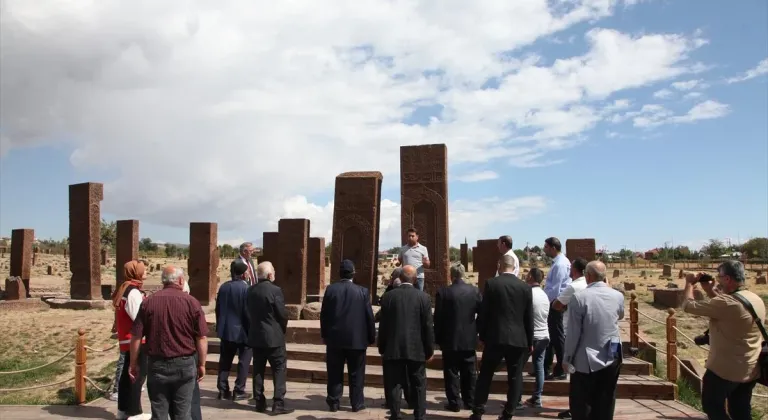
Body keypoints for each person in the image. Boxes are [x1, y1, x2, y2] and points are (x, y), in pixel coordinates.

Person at [681, 261, 766, 419]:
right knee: (741, 411)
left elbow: (687, 305)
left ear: (727, 279)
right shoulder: (755, 298)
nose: (717, 280)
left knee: (713, 407)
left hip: (724, 371)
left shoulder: (727, 303)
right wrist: (709, 290)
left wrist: (689, 283)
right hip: (750, 368)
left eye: (719, 276)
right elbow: (729, 309)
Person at [129, 266, 208, 420]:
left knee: (159, 413)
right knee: (183, 414)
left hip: (157, 365)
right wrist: (202, 364)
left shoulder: (148, 302)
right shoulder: (192, 302)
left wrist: (133, 363)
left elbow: (136, 336)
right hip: (184, 364)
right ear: (180, 280)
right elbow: (201, 337)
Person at [471, 255, 533, 420]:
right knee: (515, 376)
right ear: (514, 267)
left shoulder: (492, 284)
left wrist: (482, 335)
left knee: (486, 374)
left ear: (500, 265)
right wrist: (530, 341)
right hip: (518, 338)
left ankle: (478, 410)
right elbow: (529, 317)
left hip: (495, 337)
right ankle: (509, 412)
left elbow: (484, 313)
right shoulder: (525, 287)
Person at [563, 261, 624, 420]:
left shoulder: (579, 297)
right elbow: (620, 315)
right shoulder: (618, 295)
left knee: (582, 403)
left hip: (586, 357)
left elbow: (573, 333)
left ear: (587, 276)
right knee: (607, 398)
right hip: (612, 354)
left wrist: (567, 358)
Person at [378, 265, 435, 420]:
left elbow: (383, 326)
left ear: (400, 278)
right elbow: (428, 327)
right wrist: (429, 350)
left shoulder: (389, 297)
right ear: (415, 279)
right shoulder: (423, 297)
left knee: (394, 384)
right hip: (416, 349)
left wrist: (381, 346)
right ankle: (420, 415)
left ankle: (395, 415)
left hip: (393, 348)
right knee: (418, 384)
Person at [320, 259, 376, 412]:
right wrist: (371, 337)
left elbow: (324, 315)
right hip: (356, 340)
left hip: (335, 339)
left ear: (339, 273)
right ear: (353, 274)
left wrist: (324, 335)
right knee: (356, 373)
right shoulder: (362, 291)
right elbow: (369, 317)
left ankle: (334, 401)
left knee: (334, 372)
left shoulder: (330, 290)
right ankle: (356, 403)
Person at [246, 261, 293, 415]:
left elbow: (247, 313)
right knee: (279, 369)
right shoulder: (275, 290)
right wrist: (282, 329)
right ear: (270, 274)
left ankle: (259, 401)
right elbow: (281, 314)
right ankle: (278, 402)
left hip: (256, 336)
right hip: (274, 337)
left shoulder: (250, 290)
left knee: (258, 370)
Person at [434, 262, 481, 412]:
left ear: (451, 275)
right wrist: (476, 329)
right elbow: (483, 313)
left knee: (451, 372)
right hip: (468, 339)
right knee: (469, 372)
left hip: (450, 339)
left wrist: (437, 338)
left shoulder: (444, 292)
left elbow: (438, 318)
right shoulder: (474, 291)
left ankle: (454, 402)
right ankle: (470, 400)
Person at [551, 257, 587, 418]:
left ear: (574, 270)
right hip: (590, 332)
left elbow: (557, 304)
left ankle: (576, 409)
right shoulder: (590, 285)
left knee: (576, 376)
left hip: (572, 330)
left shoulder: (574, 286)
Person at [113, 260, 149, 420]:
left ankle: (123, 409)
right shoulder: (133, 292)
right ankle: (135, 412)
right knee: (137, 375)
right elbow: (139, 319)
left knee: (127, 376)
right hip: (135, 341)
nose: (146, 271)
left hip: (126, 339)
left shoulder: (125, 289)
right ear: (136, 272)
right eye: (143, 269)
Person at [215, 260, 253, 401]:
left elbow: (218, 310)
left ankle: (223, 390)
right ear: (244, 274)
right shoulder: (247, 289)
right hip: (243, 331)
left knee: (225, 361)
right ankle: (239, 390)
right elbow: (248, 313)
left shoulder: (224, 287)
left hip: (226, 331)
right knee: (244, 361)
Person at [542, 237, 571, 380]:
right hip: (553, 303)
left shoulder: (560, 264)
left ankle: (561, 368)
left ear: (553, 248)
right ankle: (545, 368)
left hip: (555, 304)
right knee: (552, 338)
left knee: (557, 337)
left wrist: (547, 302)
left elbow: (556, 288)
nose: (544, 249)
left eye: (546, 247)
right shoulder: (559, 262)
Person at [521, 267, 550, 408]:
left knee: (517, 367)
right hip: (544, 335)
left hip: (531, 336)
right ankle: (537, 397)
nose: (525, 276)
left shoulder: (528, 293)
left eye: (527, 275)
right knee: (539, 367)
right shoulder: (544, 295)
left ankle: (515, 398)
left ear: (531, 277)